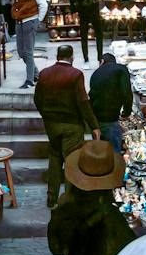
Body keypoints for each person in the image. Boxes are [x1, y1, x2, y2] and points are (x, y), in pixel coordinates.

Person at [33, 42, 98, 207]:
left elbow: (37, 99)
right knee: (71, 161)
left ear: (57, 57)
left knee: (54, 158)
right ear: (72, 58)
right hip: (72, 126)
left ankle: (51, 198)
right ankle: (69, 199)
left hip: (51, 124)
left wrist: (46, 115)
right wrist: (94, 125)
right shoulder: (75, 74)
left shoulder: (44, 73)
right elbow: (83, 102)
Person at [88, 46, 134, 152]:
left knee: (100, 152)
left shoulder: (96, 73)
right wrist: (127, 112)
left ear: (102, 61)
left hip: (96, 117)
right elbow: (126, 92)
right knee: (113, 152)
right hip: (110, 117)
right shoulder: (121, 69)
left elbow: (92, 94)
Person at [11, 0, 46, 87]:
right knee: (21, 52)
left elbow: (43, 4)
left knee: (28, 52)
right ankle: (36, 74)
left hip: (30, 20)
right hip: (19, 21)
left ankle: (29, 80)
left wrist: (38, 20)